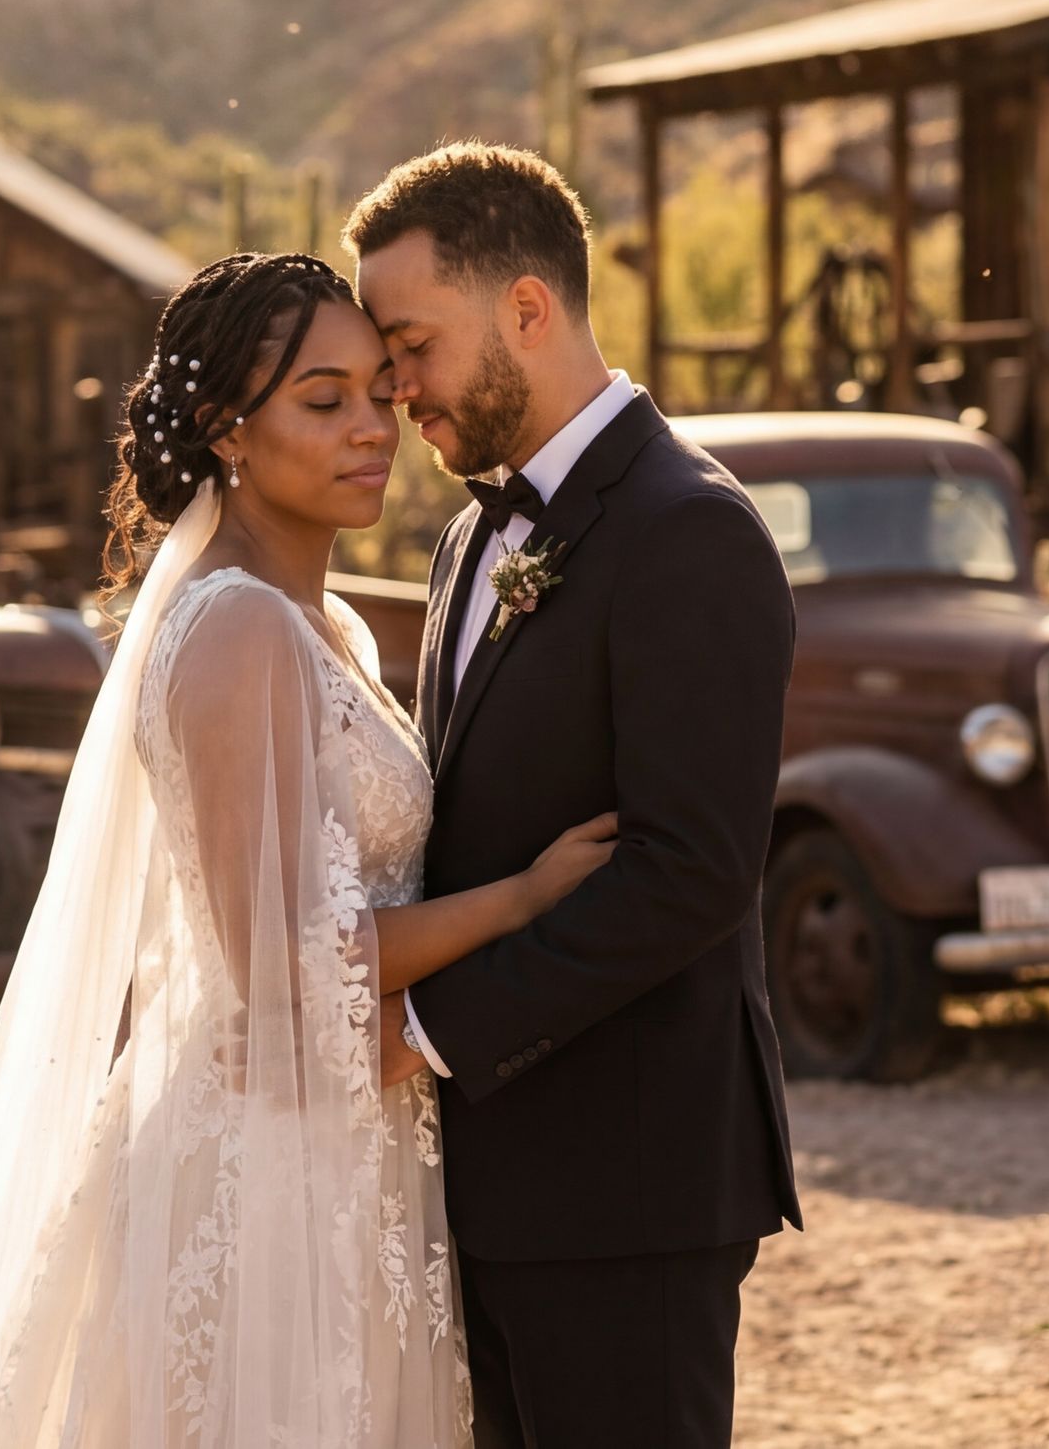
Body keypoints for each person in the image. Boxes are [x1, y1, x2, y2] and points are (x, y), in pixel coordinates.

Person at [0, 250, 619, 1449]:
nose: (372, 426)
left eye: (379, 390)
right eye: (323, 401)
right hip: (267, 1160)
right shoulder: (239, 631)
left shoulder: (323, 626)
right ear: (228, 431)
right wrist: (523, 900)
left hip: (351, 1129)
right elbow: (284, 969)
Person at [345, 142, 802, 1449]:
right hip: (491, 1180)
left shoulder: (687, 528)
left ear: (529, 308)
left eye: (413, 346)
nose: (397, 388)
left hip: (629, 1184)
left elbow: (691, 871)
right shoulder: (471, 533)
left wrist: (433, 1029)